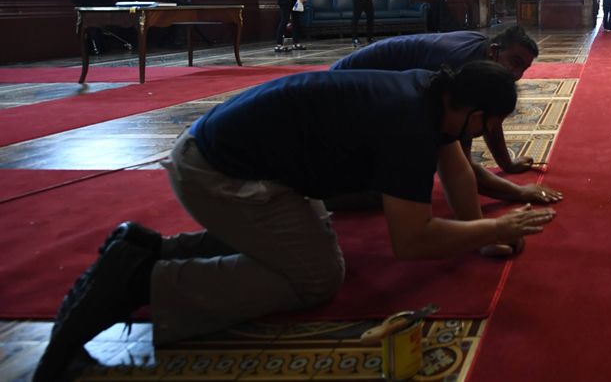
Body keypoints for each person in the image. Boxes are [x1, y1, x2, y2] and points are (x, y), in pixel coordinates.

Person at [32, 62, 555, 382]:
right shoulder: (408, 124)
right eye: (490, 125)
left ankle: (151, 249)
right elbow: (412, 239)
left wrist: (482, 230)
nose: (484, 135)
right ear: (475, 113)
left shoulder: (431, 95)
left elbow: (457, 169)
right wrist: (493, 229)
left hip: (242, 160)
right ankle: (141, 280)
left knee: (311, 250)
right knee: (316, 277)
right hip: (218, 172)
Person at [330, 26, 561, 206]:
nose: (517, 75)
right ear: (494, 51)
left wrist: (506, 164)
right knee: (393, 192)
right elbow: (461, 167)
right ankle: (327, 195)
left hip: (364, 87)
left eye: (524, 68)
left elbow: (489, 117)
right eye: (515, 63)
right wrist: (520, 192)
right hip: (344, 98)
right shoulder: (460, 70)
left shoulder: (484, 54)